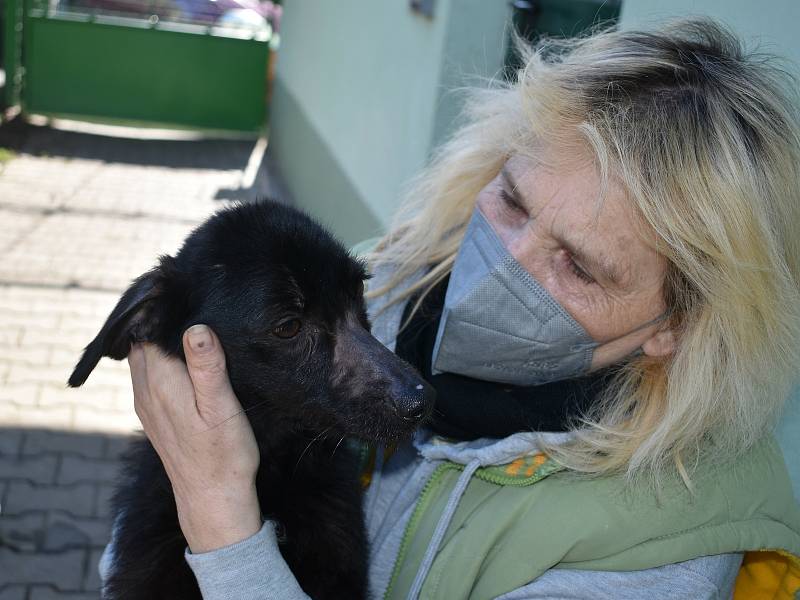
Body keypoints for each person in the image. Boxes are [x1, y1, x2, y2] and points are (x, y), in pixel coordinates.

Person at [107, 18, 800, 599]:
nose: (504, 260)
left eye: (580, 265)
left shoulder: (660, 556)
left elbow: (208, 507)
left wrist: (223, 528)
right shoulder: (382, 286)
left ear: (677, 327)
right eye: (513, 199)